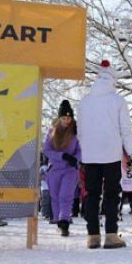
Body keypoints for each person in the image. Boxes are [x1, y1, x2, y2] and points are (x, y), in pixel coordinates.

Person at [77, 60, 132, 249]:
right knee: (111, 194)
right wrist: (131, 153)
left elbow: (80, 130)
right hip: (111, 153)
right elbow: (125, 129)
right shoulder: (118, 101)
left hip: (90, 154)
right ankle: (111, 234)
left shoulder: (84, 101)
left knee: (91, 194)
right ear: (113, 79)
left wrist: (83, 150)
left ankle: (92, 235)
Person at [44, 100, 82, 237]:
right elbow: (46, 150)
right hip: (54, 169)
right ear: (59, 118)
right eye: (64, 118)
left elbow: (81, 150)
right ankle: (58, 220)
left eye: (69, 118)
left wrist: (75, 159)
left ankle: (64, 222)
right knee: (55, 196)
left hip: (70, 170)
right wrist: (62, 156)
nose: (67, 121)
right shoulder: (51, 132)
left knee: (65, 196)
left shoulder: (76, 133)